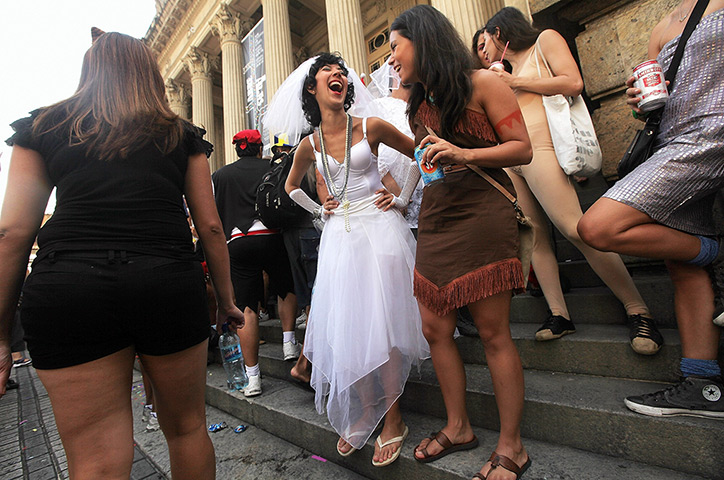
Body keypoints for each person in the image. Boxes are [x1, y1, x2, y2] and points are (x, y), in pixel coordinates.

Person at [0, 29, 244, 480]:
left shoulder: (45, 126)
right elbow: (210, 225)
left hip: (69, 283)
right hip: (166, 278)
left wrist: (0, 333)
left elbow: (14, 232)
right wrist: (226, 301)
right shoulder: (179, 133)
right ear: (148, 74)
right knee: (187, 429)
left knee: (94, 456)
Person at [389, 6, 533, 479]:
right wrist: (400, 193)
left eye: (395, 46)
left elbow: (522, 148)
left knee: (493, 333)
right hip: (437, 217)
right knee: (435, 329)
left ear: (422, 39)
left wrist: (464, 152)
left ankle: (513, 446)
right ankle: (459, 427)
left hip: (482, 213)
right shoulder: (416, 104)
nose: (391, 58)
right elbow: (427, 165)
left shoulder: (484, 83)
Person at [269, 52, 429, 467]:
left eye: (342, 73)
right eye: (329, 73)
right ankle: (361, 410)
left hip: (380, 231)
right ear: (312, 89)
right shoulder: (309, 145)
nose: (338, 76)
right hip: (341, 238)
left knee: (385, 324)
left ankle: (393, 419)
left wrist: (402, 199)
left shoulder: (370, 126)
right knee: (351, 326)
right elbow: (290, 187)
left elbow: (419, 155)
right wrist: (318, 209)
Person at [481, 7, 662, 355]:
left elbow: (573, 82)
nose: (483, 49)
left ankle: (638, 310)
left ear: (500, 32)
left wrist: (514, 82)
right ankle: (559, 314)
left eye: (485, 41)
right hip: (512, 157)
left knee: (572, 226)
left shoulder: (543, 42)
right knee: (533, 234)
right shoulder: (502, 71)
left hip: (541, 146)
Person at [578, 0, 724, 418]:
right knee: (682, 264)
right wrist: (637, 97)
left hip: (712, 131)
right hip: (673, 141)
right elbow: (655, 90)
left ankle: (714, 249)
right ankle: (703, 384)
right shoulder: (664, 24)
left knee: (597, 227)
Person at [212, 129, 300, 397]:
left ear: (237, 149)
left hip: (239, 241)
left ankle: (253, 378)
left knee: (247, 308)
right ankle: (288, 343)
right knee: (285, 287)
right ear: (260, 147)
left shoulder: (221, 175)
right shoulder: (272, 166)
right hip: (273, 235)